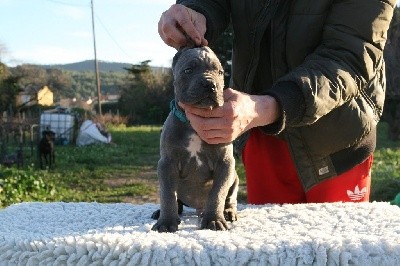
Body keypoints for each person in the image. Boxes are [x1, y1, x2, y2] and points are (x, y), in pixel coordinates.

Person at [158, 1, 397, 204]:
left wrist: (268, 106)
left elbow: (350, 55)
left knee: (340, 252)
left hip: (337, 137)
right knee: (270, 251)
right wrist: (195, 11)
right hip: (261, 132)